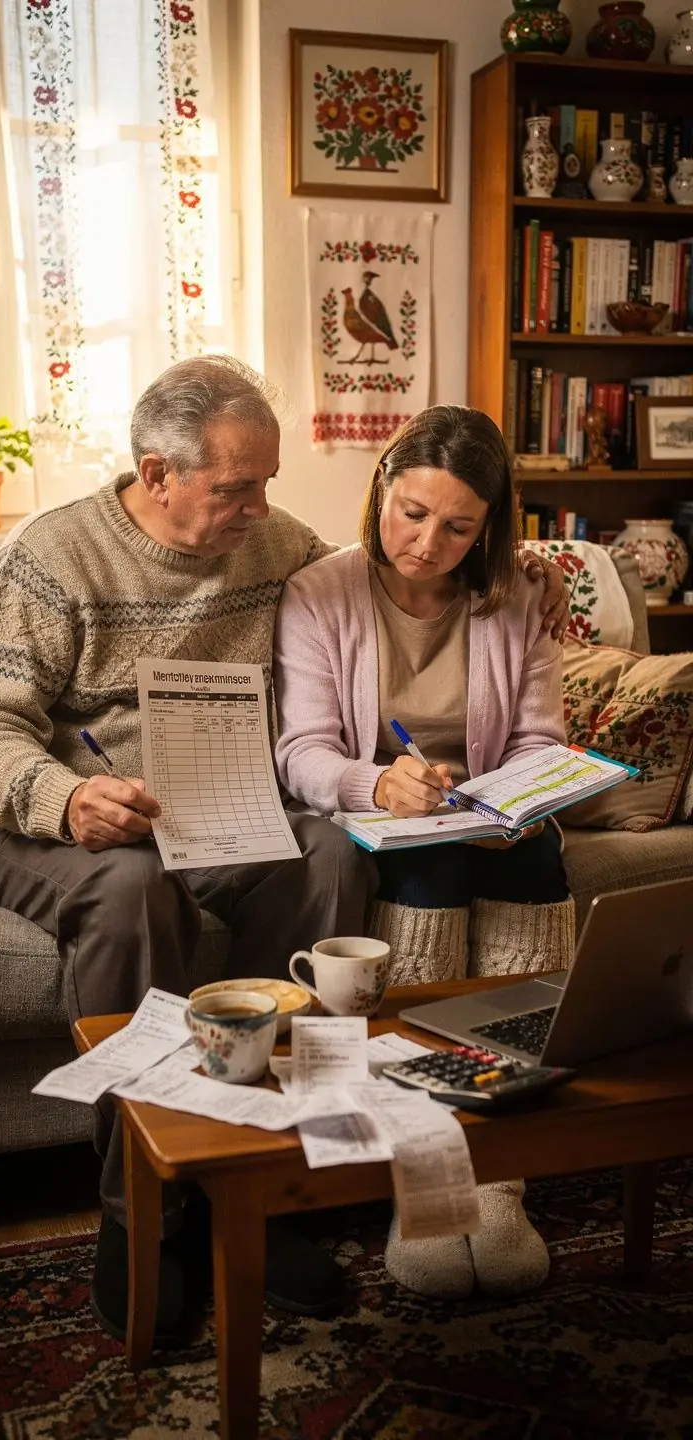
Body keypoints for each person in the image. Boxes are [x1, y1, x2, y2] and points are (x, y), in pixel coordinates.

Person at [0, 361, 569, 1347]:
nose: (262, 508)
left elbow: (403, 572)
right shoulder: (50, 556)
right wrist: (68, 798)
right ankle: (140, 1207)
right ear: (158, 474)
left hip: (225, 817)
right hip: (62, 829)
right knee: (129, 888)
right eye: (237, 488)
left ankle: (274, 1184)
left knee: (328, 857)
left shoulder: (275, 545)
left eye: (267, 483)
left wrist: (520, 569)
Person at [273, 404, 574, 1302]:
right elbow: (305, 750)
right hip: (392, 819)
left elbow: (539, 739)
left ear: (489, 529)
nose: (426, 542)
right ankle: (428, 1182)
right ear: (380, 494)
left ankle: (499, 1180)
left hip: (486, 811)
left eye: (457, 526)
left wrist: (520, 792)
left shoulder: (519, 592)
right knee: (430, 865)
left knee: (529, 858)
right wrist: (378, 785)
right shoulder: (320, 592)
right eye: (411, 513)